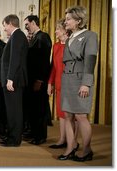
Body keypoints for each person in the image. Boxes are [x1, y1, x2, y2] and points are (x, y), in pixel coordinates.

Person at [58, 6, 98, 161]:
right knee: (68, 115)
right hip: (67, 79)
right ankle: (70, 147)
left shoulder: (90, 36)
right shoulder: (69, 37)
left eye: (68, 19)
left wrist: (86, 83)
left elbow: (90, 61)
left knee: (81, 116)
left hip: (81, 80)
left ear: (79, 20)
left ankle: (87, 150)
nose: (65, 21)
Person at [0, 14, 28, 147]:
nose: (4, 29)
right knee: (11, 110)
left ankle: (14, 139)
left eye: (4, 26)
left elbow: (15, 59)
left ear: (10, 24)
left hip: (13, 80)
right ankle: (11, 136)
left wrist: (10, 79)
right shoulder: (16, 36)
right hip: (12, 79)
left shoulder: (18, 35)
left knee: (14, 110)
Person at [48, 19, 78, 149]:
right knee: (61, 114)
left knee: (72, 115)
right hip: (59, 84)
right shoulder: (55, 46)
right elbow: (54, 67)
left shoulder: (72, 45)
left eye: (58, 29)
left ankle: (73, 143)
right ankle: (62, 139)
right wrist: (50, 83)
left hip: (71, 84)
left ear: (65, 31)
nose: (55, 31)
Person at [23, 15, 52, 145]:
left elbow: (44, 61)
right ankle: (34, 133)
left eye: (27, 24)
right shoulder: (35, 38)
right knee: (33, 108)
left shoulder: (43, 37)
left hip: (38, 80)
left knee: (40, 109)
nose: (26, 27)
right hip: (32, 79)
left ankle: (40, 136)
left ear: (33, 23)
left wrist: (40, 80)